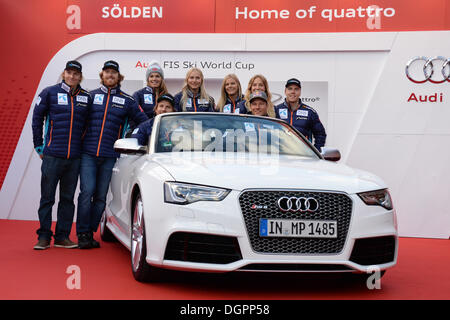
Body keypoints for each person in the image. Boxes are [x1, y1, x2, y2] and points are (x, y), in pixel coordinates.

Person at [76, 60, 148, 249]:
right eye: (107, 72)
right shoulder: (90, 96)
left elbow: (144, 122)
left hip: (110, 156)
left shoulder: (127, 100)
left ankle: (90, 232)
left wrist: (132, 137)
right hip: (88, 155)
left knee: (100, 197)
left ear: (119, 77)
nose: (110, 75)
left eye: (113, 73)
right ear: (102, 76)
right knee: (86, 193)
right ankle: (82, 233)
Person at [31, 60, 92, 250]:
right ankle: (43, 236)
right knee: (47, 198)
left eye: (76, 74)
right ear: (64, 74)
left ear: (80, 77)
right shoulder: (49, 92)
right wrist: (39, 146)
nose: (72, 76)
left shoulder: (86, 97)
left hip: (74, 158)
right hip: (52, 156)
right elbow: (37, 119)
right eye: (69, 73)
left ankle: (62, 237)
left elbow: (89, 126)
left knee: (67, 199)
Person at [274, 78, 326, 151]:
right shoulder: (276, 110)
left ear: (300, 92)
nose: (293, 92)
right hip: (281, 154)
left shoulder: (310, 112)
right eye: (290, 89)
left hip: (302, 155)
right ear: (285, 91)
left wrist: (315, 151)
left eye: (296, 89)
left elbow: (320, 134)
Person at [130, 61, 168, 130]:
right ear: (148, 79)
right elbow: (134, 115)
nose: (154, 79)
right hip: (143, 132)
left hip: (161, 132)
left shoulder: (166, 96)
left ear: (161, 79)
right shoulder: (138, 95)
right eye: (151, 76)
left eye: (157, 76)